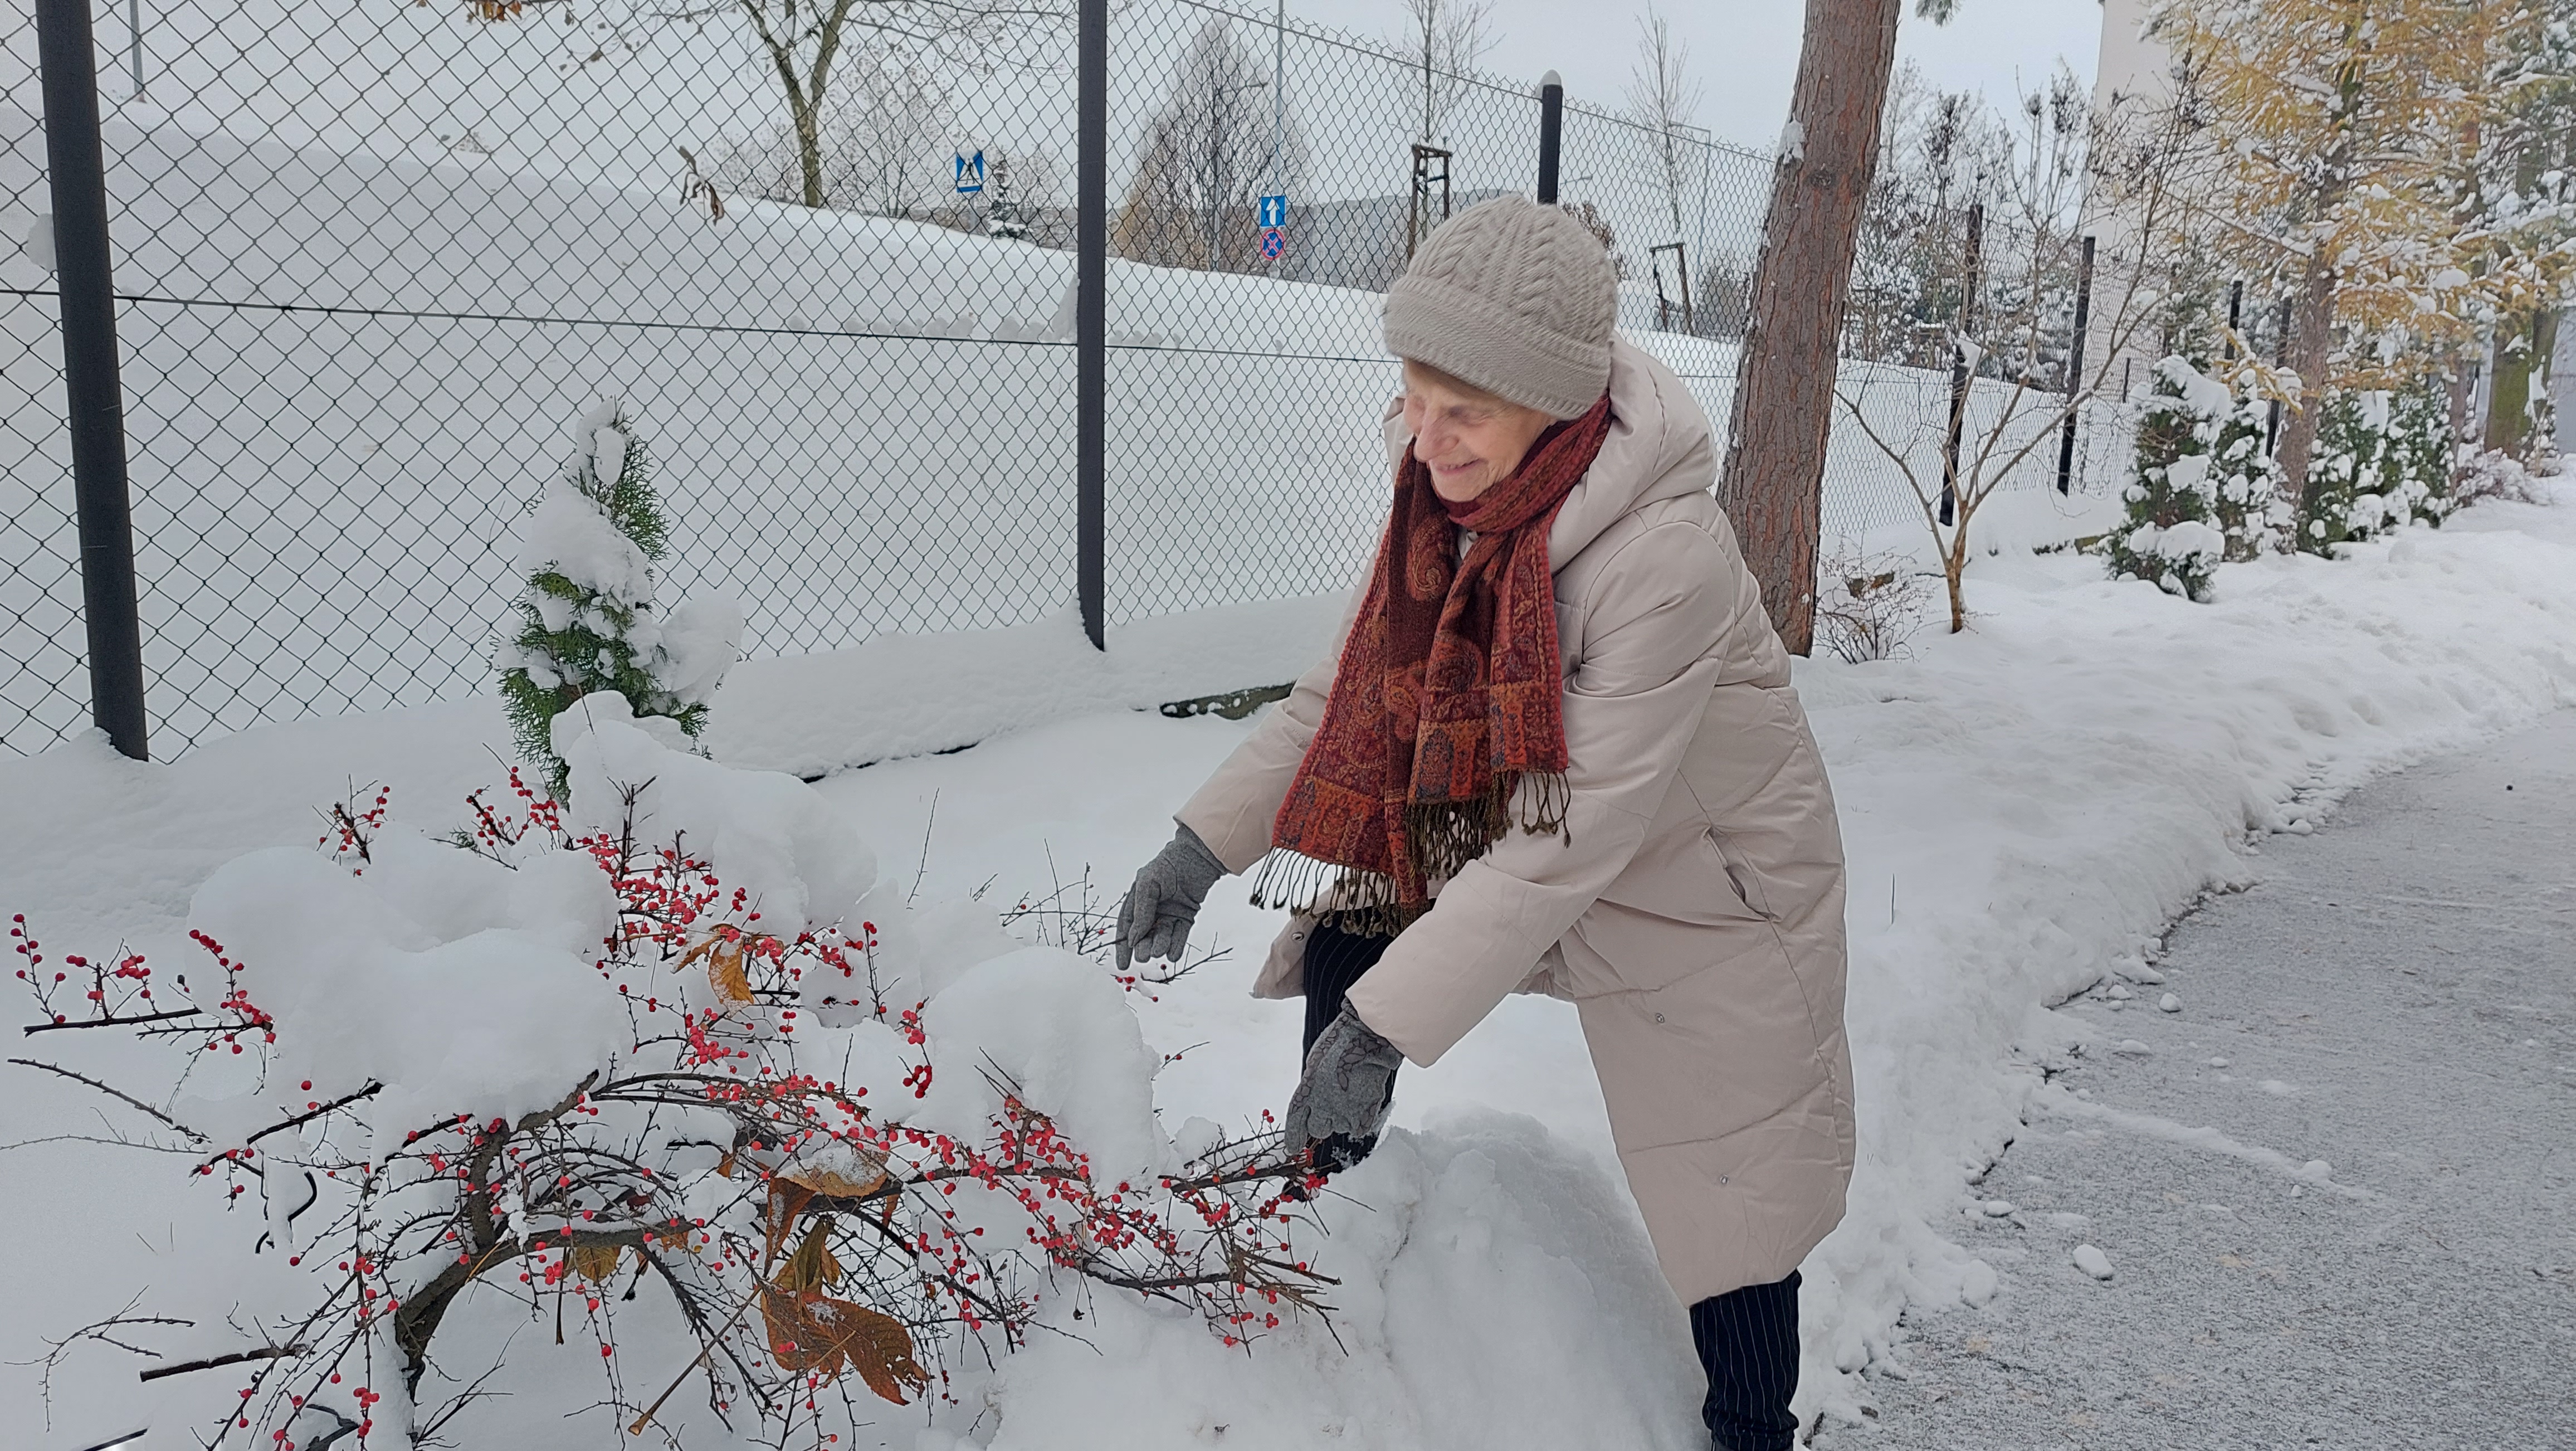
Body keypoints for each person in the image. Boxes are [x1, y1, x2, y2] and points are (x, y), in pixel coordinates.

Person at [1115, 194, 1853, 1451]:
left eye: (1463, 413)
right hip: (1531, 826)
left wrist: (1388, 1028)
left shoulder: (1659, 555)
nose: (1427, 437)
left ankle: (1750, 1431)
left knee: (1728, 1189)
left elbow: (1576, 840)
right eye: (1412, 395)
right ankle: (1327, 1225)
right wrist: (1202, 845)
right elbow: (1343, 695)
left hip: (1706, 892)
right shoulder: (1442, 504)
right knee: (1361, 914)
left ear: (1552, 408)